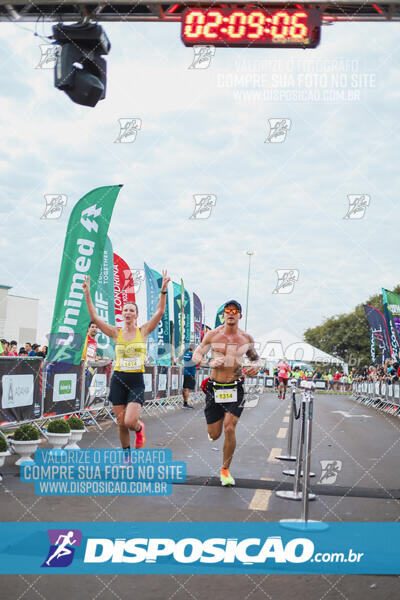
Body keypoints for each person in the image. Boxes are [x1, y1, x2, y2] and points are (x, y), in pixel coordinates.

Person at [83, 270, 170, 450]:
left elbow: (160, 311)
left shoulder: (143, 331)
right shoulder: (116, 332)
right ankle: (127, 456)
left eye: (132, 310)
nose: (128, 312)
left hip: (136, 380)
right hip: (118, 379)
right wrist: (87, 294)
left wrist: (163, 291)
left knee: (130, 421)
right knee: (121, 423)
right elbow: (94, 317)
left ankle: (139, 429)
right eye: (125, 310)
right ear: (122, 314)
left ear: (136, 315)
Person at [192, 300, 260, 487]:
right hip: (215, 388)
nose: (230, 313)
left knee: (230, 427)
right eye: (227, 311)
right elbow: (196, 356)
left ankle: (225, 470)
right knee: (214, 434)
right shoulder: (213, 335)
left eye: (234, 311)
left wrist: (256, 367)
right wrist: (208, 363)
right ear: (223, 315)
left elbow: (255, 359)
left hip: (235, 388)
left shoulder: (246, 338)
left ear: (240, 315)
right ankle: (213, 433)